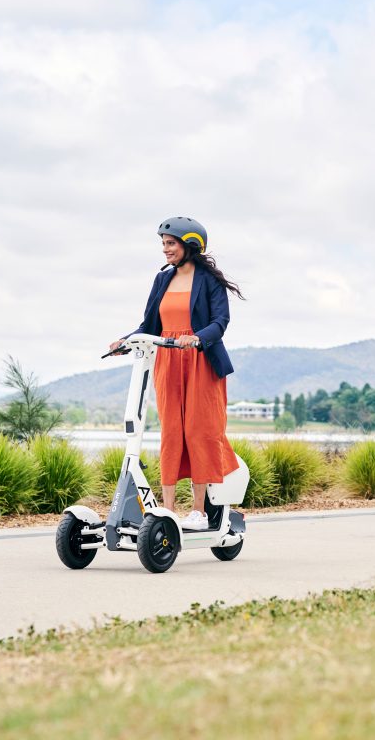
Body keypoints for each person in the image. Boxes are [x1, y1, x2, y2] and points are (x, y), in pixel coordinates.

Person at [110, 217, 244, 531]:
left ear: (190, 245)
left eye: (171, 243)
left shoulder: (209, 280)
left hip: (200, 359)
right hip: (168, 360)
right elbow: (149, 327)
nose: (165, 249)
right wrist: (125, 341)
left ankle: (198, 510)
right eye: (163, 244)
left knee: (199, 430)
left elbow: (220, 322)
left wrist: (197, 337)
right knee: (171, 432)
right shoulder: (162, 281)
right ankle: (167, 510)